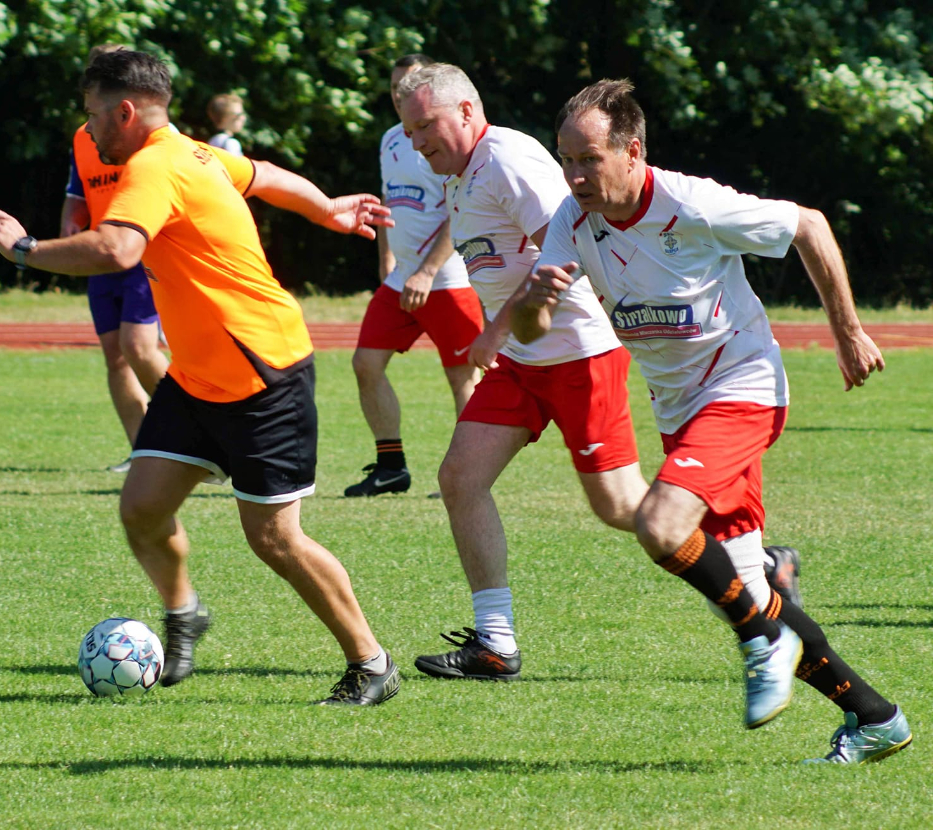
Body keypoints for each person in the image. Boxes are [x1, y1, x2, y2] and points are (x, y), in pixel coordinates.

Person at [0, 49, 400, 705]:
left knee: (275, 539)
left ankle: (371, 664)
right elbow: (261, 176)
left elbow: (119, 247)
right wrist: (326, 210)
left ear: (126, 111)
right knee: (142, 509)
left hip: (263, 371)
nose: (88, 133)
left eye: (95, 117)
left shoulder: (155, 164)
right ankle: (185, 616)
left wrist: (24, 250)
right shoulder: (196, 153)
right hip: (200, 374)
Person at [518, 78, 910, 761]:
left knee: (659, 525)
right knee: (749, 587)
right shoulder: (571, 220)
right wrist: (533, 298)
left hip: (743, 390)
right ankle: (875, 718)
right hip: (680, 414)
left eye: (589, 159)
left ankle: (761, 639)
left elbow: (809, 226)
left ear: (632, 151)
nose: (575, 174)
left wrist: (847, 334)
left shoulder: (691, 205)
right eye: (566, 160)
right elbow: (530, 326)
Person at [394, 63, 648, 684]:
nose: (418, 140)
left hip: (580, 354)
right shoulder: (461, 175)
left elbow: (566, 252)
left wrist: (495, 329)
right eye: (408, 129)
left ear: (467, 111)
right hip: (525, 363)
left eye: (427, 124)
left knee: (619, 506)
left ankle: (756, 566)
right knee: (459, 477)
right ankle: (495, 643)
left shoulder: (506, 158)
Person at [344, 54, 484, 498]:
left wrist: (426, 270)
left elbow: (458, 212)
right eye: (393, 89)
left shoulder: (445, 143)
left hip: (446, 279)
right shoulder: (390, 138)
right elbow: (389, 201)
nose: (400, 95)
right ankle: (391, 468)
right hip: (401, 278)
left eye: (409, 85)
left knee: (463, 378)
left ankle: (470, 475)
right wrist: (387, 263)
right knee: (365, 364)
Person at [63, 45, 169, 473]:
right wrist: (71, 228)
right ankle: (143, 450)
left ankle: (194, 435)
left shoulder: (146, 134)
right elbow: (76, 193)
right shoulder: (86, 134)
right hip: (102, 255)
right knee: (116, 355)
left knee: (139, 346)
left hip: (142, 251)